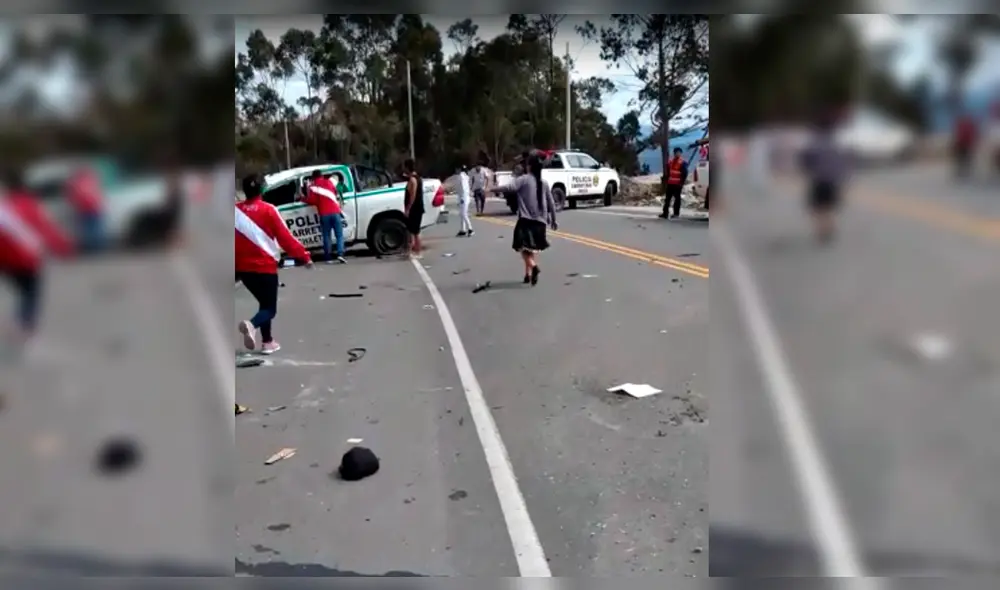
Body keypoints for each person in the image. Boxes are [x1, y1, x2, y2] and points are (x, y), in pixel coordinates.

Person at [235, 174, 312, 354]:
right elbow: (286, 238)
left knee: (264, 304)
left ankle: (267, 342)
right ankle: (251, 325)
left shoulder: (235, 211)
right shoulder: (269, 210)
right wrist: (304, 256)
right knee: (269, 309)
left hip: (243, 270)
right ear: (262, 189)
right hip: (265, 268)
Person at [0, 169, 74, 349]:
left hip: (6, 260)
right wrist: (63, 246)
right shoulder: (29, 204)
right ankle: (25, 328)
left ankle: (20, 324)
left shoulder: (5, 205)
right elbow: (45, 227)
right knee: (32, 294)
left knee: (23, 292)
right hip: (26, 256)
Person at [491, 153, 557, 285]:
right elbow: (551, 203)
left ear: (530, 166)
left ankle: (534, 267)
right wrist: (553, 219)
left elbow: (509, 188)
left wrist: (491, 189)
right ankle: (528, 275)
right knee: (531, 248)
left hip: (527, 221)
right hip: (541, 222)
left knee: (521, 248)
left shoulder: (524, 179)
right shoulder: (544, 183)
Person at [801, 114, 849, 244]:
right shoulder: (836, 144)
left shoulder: (813, 144)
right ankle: (830, 228)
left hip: (819, 180)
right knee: (829, 206)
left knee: (818, 207)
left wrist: (808, 170)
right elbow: (843, 163)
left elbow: (805, 161)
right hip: (833, 180)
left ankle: (822, 231)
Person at [301, 169, 346, 264]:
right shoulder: (329, 182)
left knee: (326, 235)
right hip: (335, 212)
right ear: (321, 176)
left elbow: (312, 200)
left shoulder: (313, 187)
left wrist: (302, 199)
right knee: (339, 235)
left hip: (324, 214)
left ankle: (328, 256)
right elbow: (335, 192)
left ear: (313, 177)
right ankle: (340, 254)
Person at [66, 165, 106, 253]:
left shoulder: (75, 182)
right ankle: (98, 245)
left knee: (88, 229)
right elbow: (98, 192)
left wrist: (73, 205)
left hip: (84, 208)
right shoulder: (91, 180)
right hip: (93, 207)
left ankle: (92, 246)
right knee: (94, 228)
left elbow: (71, 196)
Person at [403, 159, 425, 259]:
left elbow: (413, 196)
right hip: (416, 208)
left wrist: (408, 208)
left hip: (415, 208)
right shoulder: (416, 178)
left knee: (415, 231)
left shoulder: (413, 180)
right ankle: (411, 251)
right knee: (412, 231)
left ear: (408, 167)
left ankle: (418, 252)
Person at [660, 147, 689, 219]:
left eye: (679, 152)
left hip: (677, 184)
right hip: (670, 183)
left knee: (677, 199)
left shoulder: (682, 162)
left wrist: (681, 183)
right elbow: (668, 172)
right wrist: (666, 180)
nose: (678, 154)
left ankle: (676, 213)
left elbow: (685, 174)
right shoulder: (670, 162)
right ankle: (665, 213)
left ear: (681, 153)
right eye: (677, 152)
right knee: (667, 199)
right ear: (674, 153)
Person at [954, 111, 978, 180]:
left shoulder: (963, 125)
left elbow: (958, 134)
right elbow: (958, 134)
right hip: (963, 144)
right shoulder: (966, 125)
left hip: (965, 144)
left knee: (964, 159)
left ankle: (963, 172)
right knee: (963, 159)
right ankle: (962, 172)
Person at [455, 163, 474, 237]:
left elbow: (463, 188)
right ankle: (462, 229)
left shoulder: (461, 176)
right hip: (465, 197)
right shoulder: (466, 176)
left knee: (463, 214)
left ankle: (470, 229)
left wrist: (461, 198)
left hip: (463, 197)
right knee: (462, 214)